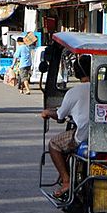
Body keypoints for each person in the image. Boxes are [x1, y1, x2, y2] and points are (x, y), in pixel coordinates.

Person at [40, 55, 91, 198]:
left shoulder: (74, 92)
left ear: (77, 73)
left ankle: (66, 181)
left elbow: (60, 115)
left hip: (84, 136)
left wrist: (47, 112)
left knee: (54, 144)